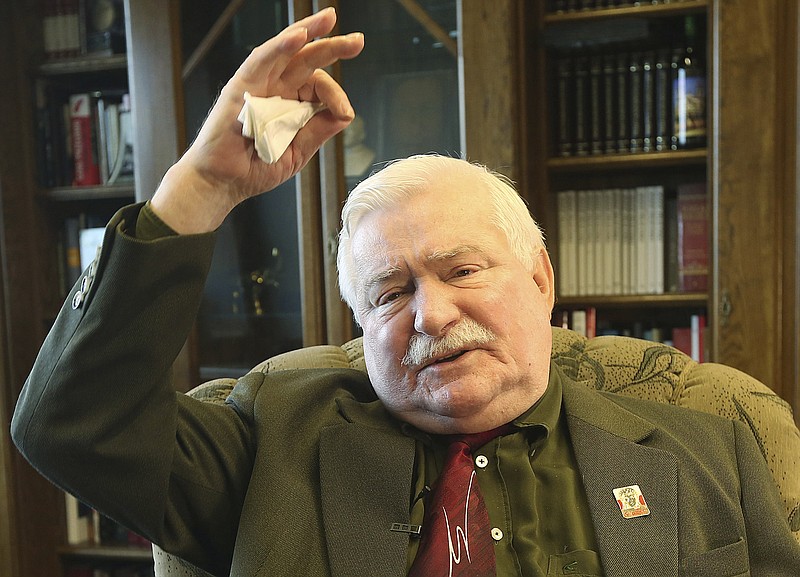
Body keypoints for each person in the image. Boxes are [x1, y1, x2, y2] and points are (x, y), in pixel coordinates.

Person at [10, 8, 800, 577]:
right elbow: (69, 424)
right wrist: (201, 189)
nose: (432, 313)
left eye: (461, 271)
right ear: (359, 321)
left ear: (540, 279)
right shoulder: (265, 446)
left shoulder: (714, 443)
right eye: (390, 293)